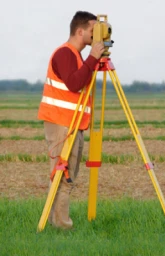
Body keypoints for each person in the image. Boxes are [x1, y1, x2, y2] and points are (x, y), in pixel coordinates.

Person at [37, 11, 105, 229]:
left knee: (67, 176)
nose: (97, 36)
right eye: (94, 31)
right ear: (80, 31)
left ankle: (57, 223)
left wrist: (93, 60)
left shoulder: (76, 56)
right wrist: (94, 57)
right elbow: (74, 84)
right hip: (61, 123)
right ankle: (61, 225)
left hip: (71, 123)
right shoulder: (65, 54)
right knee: (63, 175)